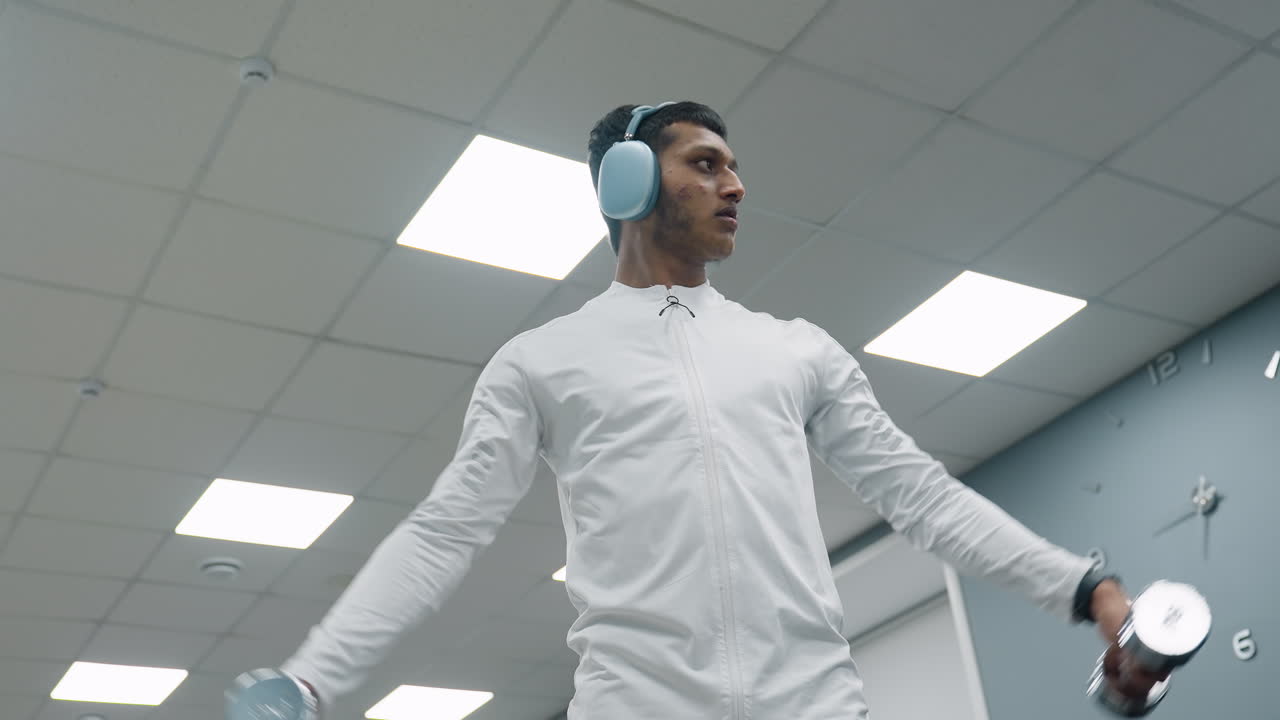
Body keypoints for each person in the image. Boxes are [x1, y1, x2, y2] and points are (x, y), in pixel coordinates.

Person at [268, 101, 1163, 718]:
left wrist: (1089, 590)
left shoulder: (796, 350)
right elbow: (443, 535)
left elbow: (921, 500)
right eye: (705, 165)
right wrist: (308, 682)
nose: (735, 187)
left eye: (734, 168)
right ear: (627, 184)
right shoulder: (540, 363)